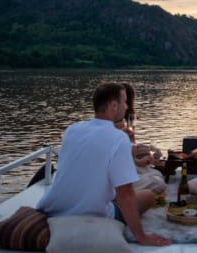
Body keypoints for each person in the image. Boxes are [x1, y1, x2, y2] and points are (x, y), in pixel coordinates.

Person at [36, 82, 171, 247]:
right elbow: (125, 194)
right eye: (124, 102)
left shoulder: (73, 129)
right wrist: (141, 236)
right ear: (114, 105)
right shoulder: (118, 138)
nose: (126, 106)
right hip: (94, 214)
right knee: (148, 196)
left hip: (55, 209)